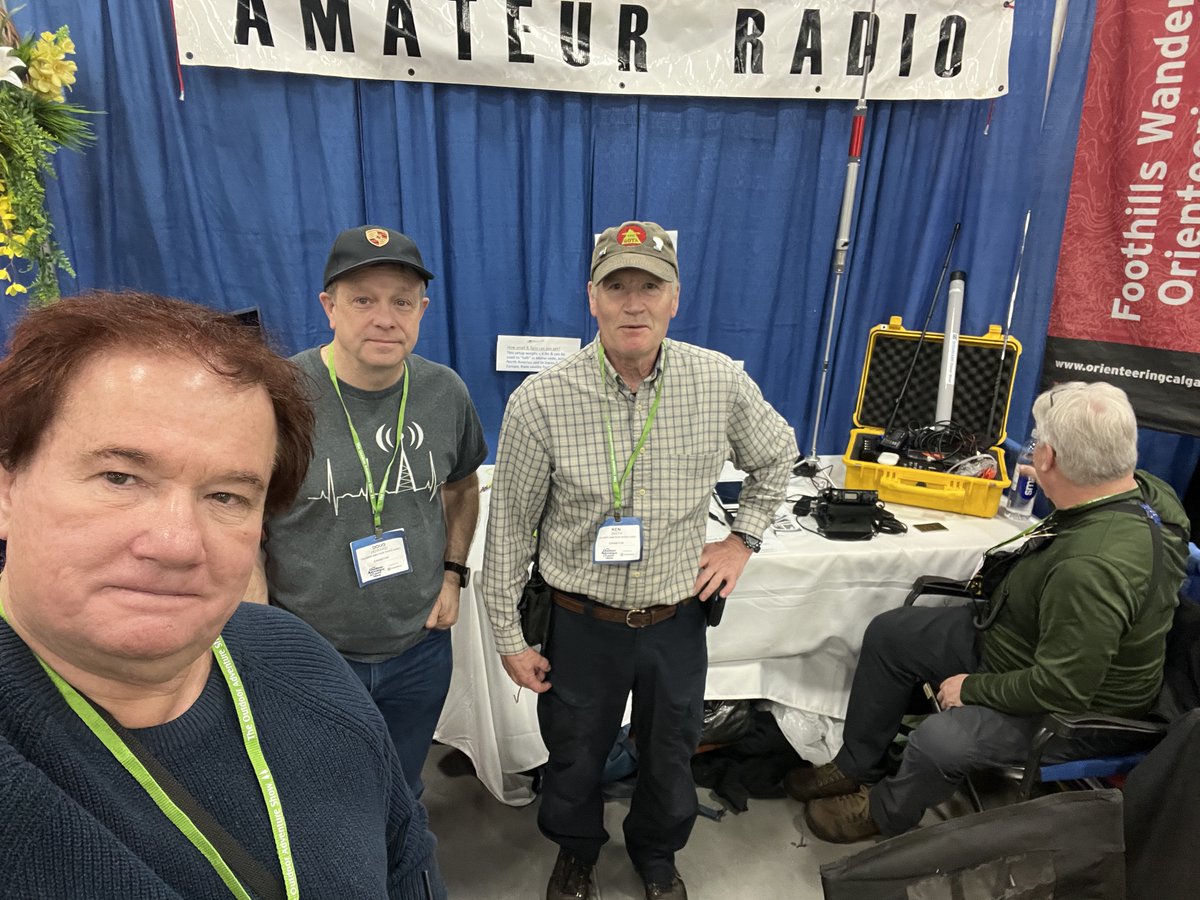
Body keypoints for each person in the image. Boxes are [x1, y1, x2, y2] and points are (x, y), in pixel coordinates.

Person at [0, 291, 446, 898]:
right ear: (7, 485)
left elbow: (407, 858)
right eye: (120, 477)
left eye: (226, 496)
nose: (178, 543)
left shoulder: (298, 660)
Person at [480, 221, 797, 900]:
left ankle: (657, 855)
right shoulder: (540, 401)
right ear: (590, 298)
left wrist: (743, 539)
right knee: (573, 756)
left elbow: (777, 456)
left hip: (674, 621)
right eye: (615, 286)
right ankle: (576, 854)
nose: (633, 304)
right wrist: (508, 636)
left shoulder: (718, 382)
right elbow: (508, 528)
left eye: (647, 287)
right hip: (579, 622)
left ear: (674, 298)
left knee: (670, 755)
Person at [785, 380, 1190, 843]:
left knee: (940, 741)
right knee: (892, 633)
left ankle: (884, 811)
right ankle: (856, 762)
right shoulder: (1145, 492)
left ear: (1047, 460)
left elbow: (1065, 688)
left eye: (1039, 441)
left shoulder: (1090, 568)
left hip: (1073, 713)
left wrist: (975, 688)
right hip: (1024, 642)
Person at [253, 225, 487, 796]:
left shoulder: (444, 392)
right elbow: (243, 512)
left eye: (401, 302)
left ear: (422, 310)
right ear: (328, 307)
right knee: (317, 795)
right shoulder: (279, 394)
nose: (386, 318)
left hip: (419, 647)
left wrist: (454, 573)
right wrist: (258, 618)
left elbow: (460, 487)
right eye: (363, 299)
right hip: (312, 648)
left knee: (402, 789)